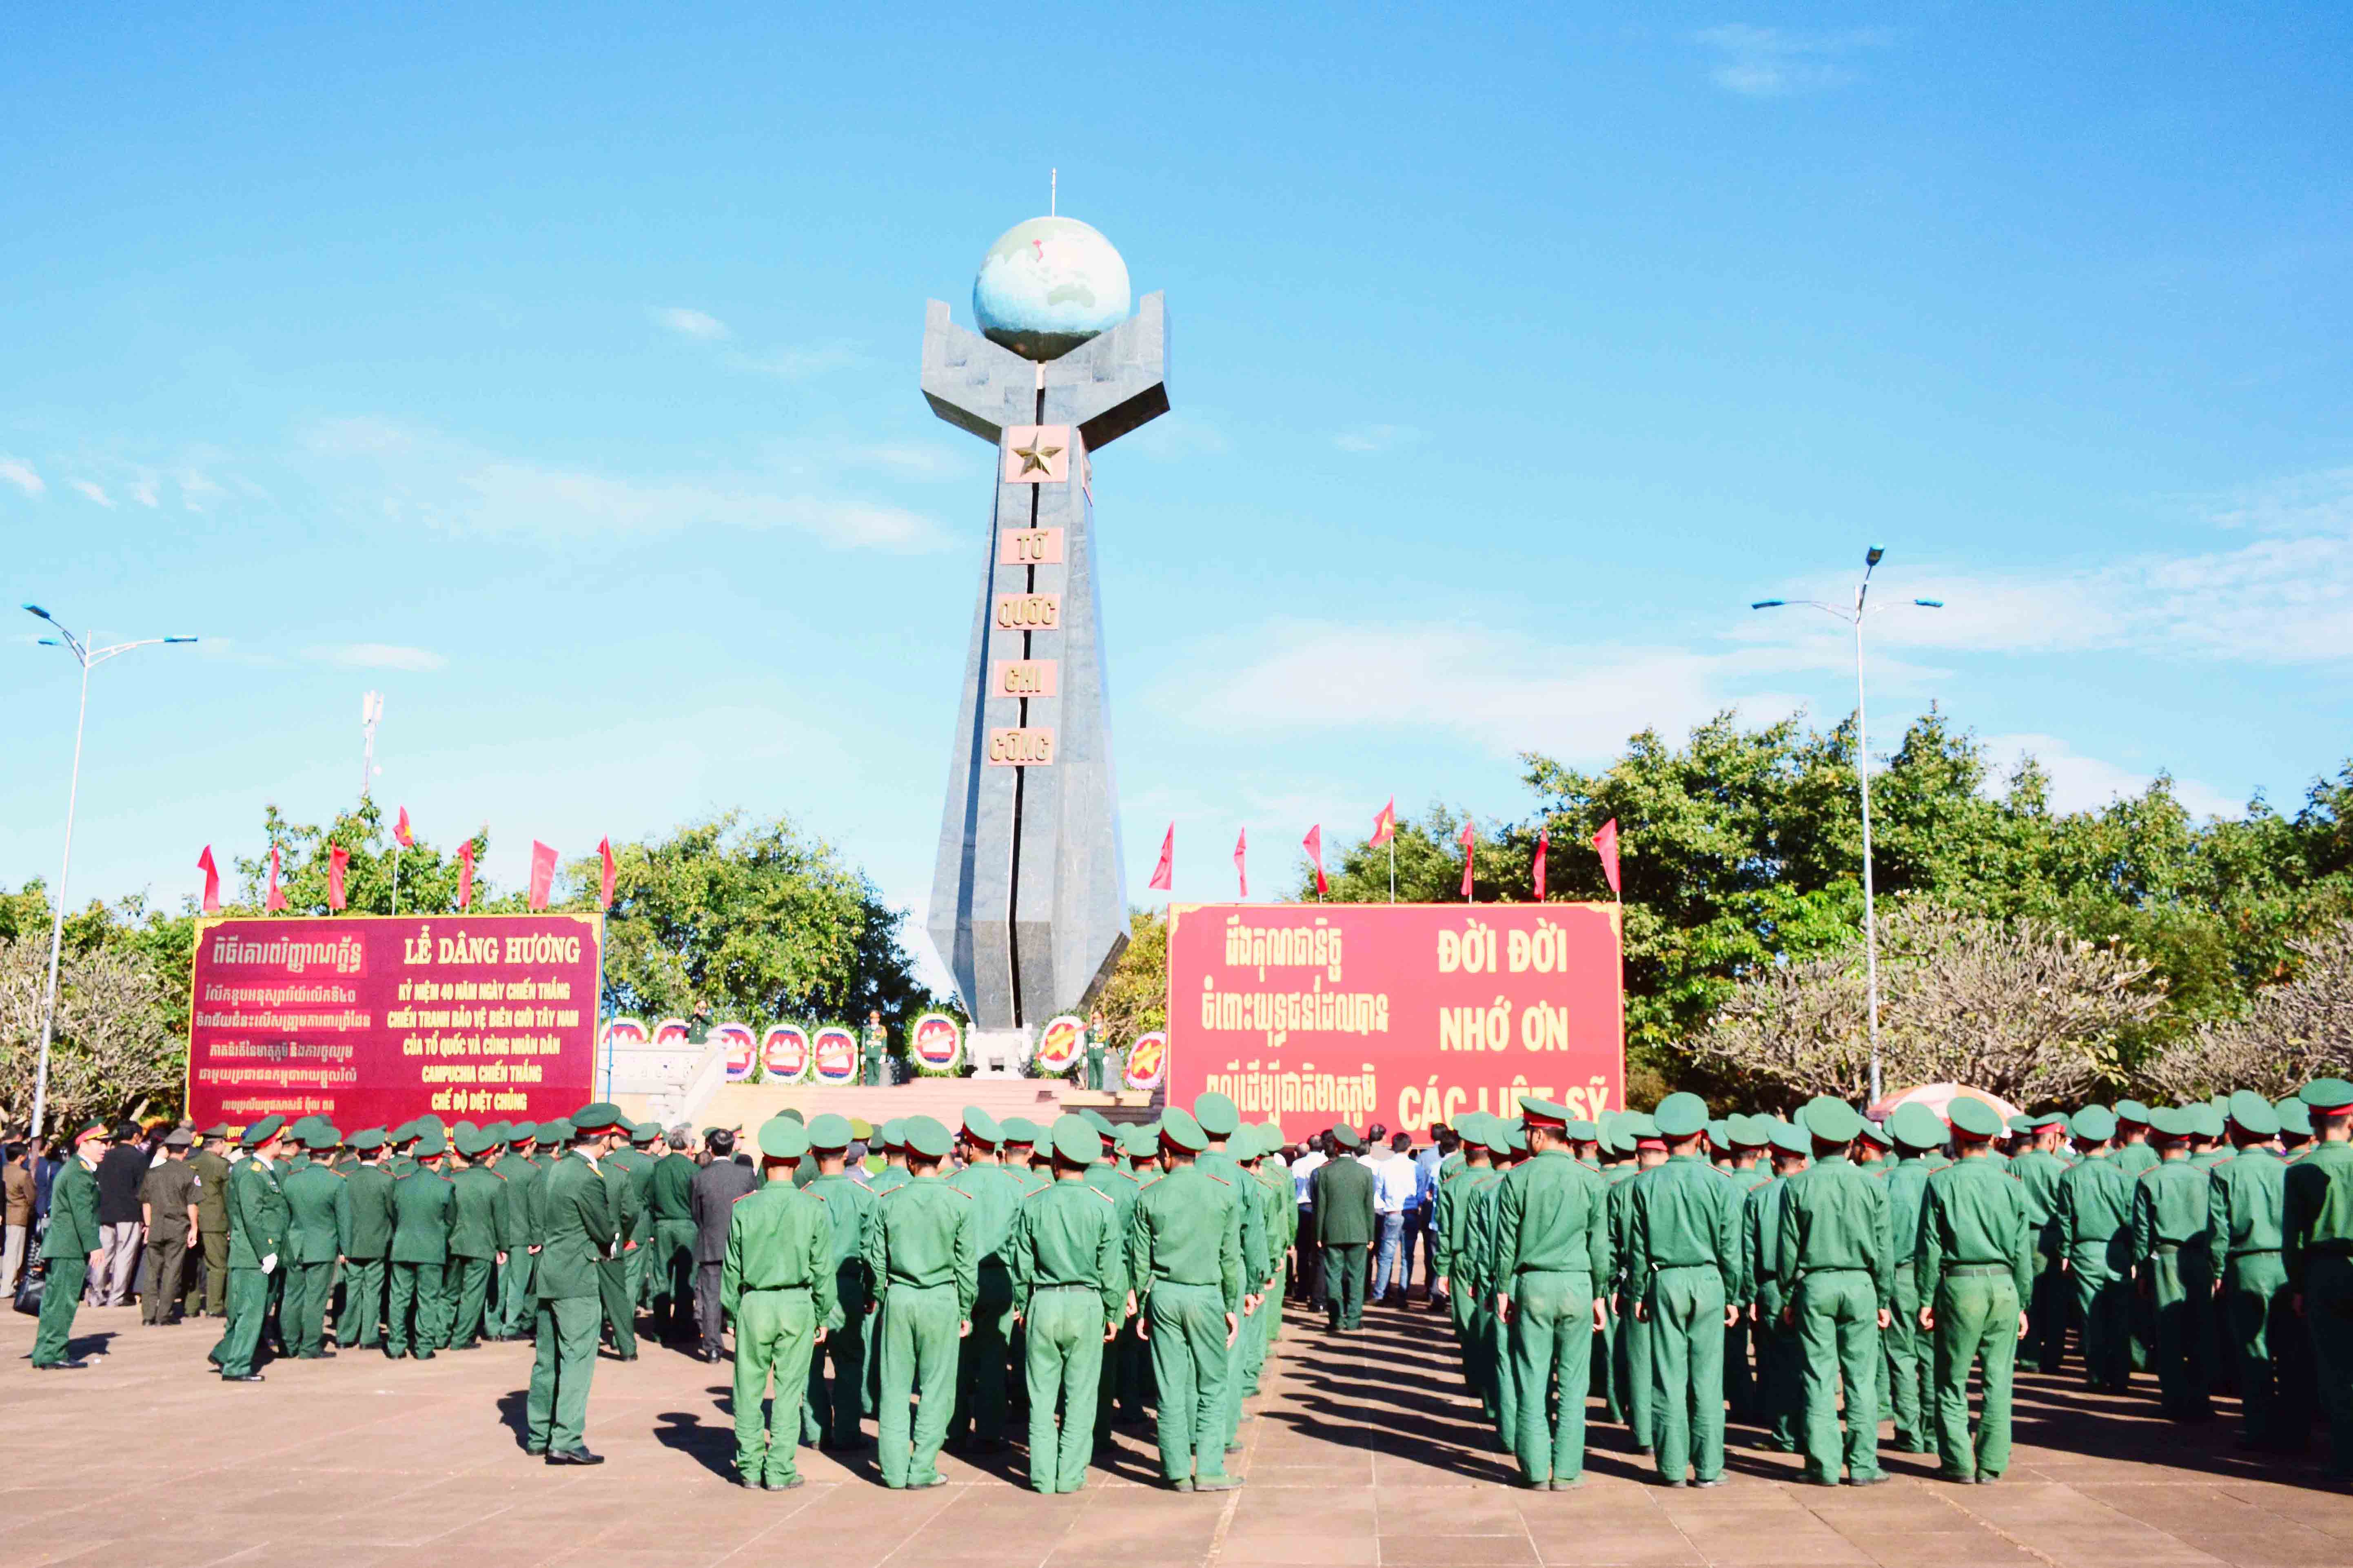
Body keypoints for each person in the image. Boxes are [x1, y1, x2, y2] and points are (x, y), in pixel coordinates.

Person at [1489, 1097, 1610, 1490]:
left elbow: (1505, 1243)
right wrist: (1599, 1293)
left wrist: (1503, 1289)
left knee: (1532, 1378)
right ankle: (1568, 1472)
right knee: (1575, 1386)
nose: (1527, 1141)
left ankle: (1536, 1471)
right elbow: (1600, 1247)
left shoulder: (1517, 1178)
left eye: (1528, 1134)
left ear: (1539, 1135)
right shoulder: (1590, 1179)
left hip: (1533, 1285)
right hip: (1578, 1283)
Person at [1776, 1096, 1892, 1486]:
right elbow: (1883, 1248)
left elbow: (1788, 1250)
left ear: (1813, 1143)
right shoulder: (1871, 1185)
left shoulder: (1796, 1186)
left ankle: (1823, 1466)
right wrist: (1884, 1297)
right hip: (1861, 1285)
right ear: (1850, 1145)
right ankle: (1863, 1465)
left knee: (1818, 1377)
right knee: (1862, 1379)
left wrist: (1789, 1293)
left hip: (1815, 1285)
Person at [1625, 1092, 1740, 1488]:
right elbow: (1730, 1247)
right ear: (1701, 1136)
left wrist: (1638, 1292)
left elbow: (1638, 1248)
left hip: (1664, 1280)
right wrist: (1734, 1294)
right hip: (1709, 1281)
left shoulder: (1645, 1185)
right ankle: (1708, 1468)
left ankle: (1672, 1467)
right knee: (1708, 1379)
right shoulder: (1720, 1185)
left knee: (1668, 1377)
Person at [1008, 1114, 1127, 1493]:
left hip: (1043, 1302)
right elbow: (1112, 1269)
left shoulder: (1034, 1204)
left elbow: (1020, 1264)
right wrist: (1113, 1314)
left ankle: (1042, 1476)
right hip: (1086, 1303)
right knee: (1081, 1396)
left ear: (1055, 1160)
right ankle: (1070, 1475)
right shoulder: (1102, 1206)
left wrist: (1023, 1306)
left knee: (1041, 1397)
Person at [1916, 1095, 2031, 1484]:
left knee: (1951, 1380)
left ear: (1955, 1136)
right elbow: (2021, 1252)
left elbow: (1929, 1248)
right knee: (1998, 1381)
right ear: (1992, 1142)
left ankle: (1958, 1463)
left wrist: (1924, 1298)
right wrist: (2022, 1302)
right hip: (2003, 1286)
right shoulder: (2012, 1186)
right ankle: (1992, 1464)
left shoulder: (1941, 1182)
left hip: (1960, 1285)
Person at [1128, 1107, 1243, 1492]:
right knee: (1212, 1384)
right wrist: (1230, 1306)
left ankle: (1175, 1470)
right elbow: (1230, 1258)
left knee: (1170, 1387)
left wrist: (1144, 1305)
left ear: (1165, 1155)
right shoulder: (1222, 1194)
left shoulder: (1150, 1195)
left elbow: (1139, 1261)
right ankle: (1209, 1469)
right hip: (1206, 1296)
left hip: (1163, 1296)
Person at [864, 1114, 978, 1489]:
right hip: (942, 1298)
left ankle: (894, 1470)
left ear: (910, 1161)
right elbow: (966, 1265)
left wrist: (882, 1296)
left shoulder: (888, 1202)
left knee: (894, 1387)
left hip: (899, 1297)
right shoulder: (960, 1204)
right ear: (941, 1161)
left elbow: (875, 1260)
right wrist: (965, 1309)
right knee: (936, 1388)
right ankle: (923, 1466)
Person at [723, 1116, 836, 1490]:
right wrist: (823, 1312)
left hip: (754, 1303)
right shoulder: (813, 1207)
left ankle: (750, 1465)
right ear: (797, 1163)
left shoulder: (744, 1207)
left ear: (766, 1161)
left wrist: (731, 1311)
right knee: (789, 1391)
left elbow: (732, 1268)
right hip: (798, 1303)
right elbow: (823, 1268)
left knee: (748, 1388)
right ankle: (780, 1469)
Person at [528, 1107, 623, 1464]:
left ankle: (539, 1434)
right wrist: (614, 1242)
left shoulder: (557, 1169)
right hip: (576, 1276)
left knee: (547, 1359)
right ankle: (565, 1439)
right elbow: (602, 1228)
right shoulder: (587, 1177)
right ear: (603, 1139)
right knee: (578, 1359)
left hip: (550, 1271)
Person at [2208, 1091, 2293, 1451]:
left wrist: (2216, 1271)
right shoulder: (2288, 1169)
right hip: (2287, 1266)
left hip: (2246, 1265)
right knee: (2290, 1350)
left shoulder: (2224, 1172)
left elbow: (2219, 1231)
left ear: (2234, 1132)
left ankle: (2260, 1429)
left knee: (2253, 1349)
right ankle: (2295, 1430)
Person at [2284, 1077, 2353, 1484]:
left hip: (2321, 1272)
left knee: (2334, 1369)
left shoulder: (2301, 1170)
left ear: (2312, 1123)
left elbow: (2292, 1237)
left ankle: (2344, 1457)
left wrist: (2296, 1285)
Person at [945, 1107, 1025, 1454]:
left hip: (959, 1280)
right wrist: (1020, 1294)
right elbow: (1021, 1247)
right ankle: (990, 1432)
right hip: (999, 1280)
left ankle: (956, 1429)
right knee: (994, 1359)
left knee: (957, 1360)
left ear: (972, 1147)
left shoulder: (953, 1185)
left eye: (963, 1143)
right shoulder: (1014, 1187)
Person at [802, 1113, 879, 1450]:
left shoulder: (803, 1195)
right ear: (846, 1154)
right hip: (848, 1288)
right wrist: (871, 1290)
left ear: (815, 1154)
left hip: (810, 1290)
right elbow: (871, 1251)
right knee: (849, 1363)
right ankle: (847, 1432)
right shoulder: (863, 1195)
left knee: (810, 1365)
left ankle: (817, 1431)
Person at [2133, 1107, 2213, 1422]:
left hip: (2164, 1259)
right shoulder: (2205, 1178)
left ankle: (2174, 1400)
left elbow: (2143, 1232)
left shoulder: (2149, 1180)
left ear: (2157, 1142)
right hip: (2198, 1258)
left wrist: (2142, 1270)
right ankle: (2201, 1399)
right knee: (2199, 1328)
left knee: (2168, 1332)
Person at [1876, 1104, 1943, 1453]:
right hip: (1936, 1277)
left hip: (1898, 1277)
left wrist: (1880, 1291)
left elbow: (1878, 1240)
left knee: (1901, 1356)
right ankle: (1933, 1434)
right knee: (1933, 1357)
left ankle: (1909, 1433)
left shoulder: (1883, 1183)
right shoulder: (1941, 1179)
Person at [2057, 1105, 2135, 1394]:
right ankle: (2121, 1376)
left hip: (2084, 1251)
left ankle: (2097, 1375)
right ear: (2107, 1140)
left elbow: (2066, 1220)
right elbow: (2131, 1221)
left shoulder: (2069, 1177)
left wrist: (2065, 1253)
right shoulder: (2125, 1177)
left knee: (2092, 1317)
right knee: (2119, 1316)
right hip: (2117, 1252)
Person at [211, 1115, 291, 1383]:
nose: (283, 1144)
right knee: (251, 1313)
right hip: (254, 1254)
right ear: (271, 1143)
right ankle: (237, 1366)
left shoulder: (262, 1170)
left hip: (259, 1252)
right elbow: (252, 1216)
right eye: (280, 1140)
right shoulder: (252, 1174)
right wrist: (265, 1251)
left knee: (252, 1310)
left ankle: (225, 1353)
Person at [30, 1121, 108, 1370]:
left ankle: (46, 1352)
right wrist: (94, 1245)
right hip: (69, 1248)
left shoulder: (77, 1169)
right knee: (63, 1302)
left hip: (64, 1246)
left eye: (106, 1143)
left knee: (55, 1302)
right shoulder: (78, 1173)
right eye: (99, 1143)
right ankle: (53, 1353)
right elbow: (82, 1214)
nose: (105, 1148)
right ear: (83, 1144)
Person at [280, 1123, 351, 1357]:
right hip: (322, 1246)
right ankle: (310, 1346)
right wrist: (346, 1249)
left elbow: (284, 1216)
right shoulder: (337, 1182)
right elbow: (344, 1221)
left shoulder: (292, 1180)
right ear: (330, 1157)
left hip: (294, 1243)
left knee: (292, 1296)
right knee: (316, 1298)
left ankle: (289, 1345)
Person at [2009, 1113, 2072, 1375]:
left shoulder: (2016, 1166)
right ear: (2053, 1140)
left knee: (2028, 1296)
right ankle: (2053, 1356)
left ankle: (2029, 1355)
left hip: (2025, 1236)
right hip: (2054, 1237)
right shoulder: (2062, 1168)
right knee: (2056, 1300)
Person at [691, 1127, 758, 1362]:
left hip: (711, 1244)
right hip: (742, 1245)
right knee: (744, 1295)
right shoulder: (746, 1175)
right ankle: (746, 1345)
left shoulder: (700, 1177)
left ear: (710, 1147)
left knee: (710, 1298)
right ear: (732, 1148)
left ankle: (712, 1348)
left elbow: (696, 1214)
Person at [388, 1129, 455, 1359]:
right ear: (437, 1161)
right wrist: (437, 1236)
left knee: (399, 1299)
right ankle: (424, 1348)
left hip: (403, 1246)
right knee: (428, 1301)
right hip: (431, 1250)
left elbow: (394, 1215)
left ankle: (397, 1346)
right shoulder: (445, 1187)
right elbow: (450, 1222)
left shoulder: (400, 1184)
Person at [448, 1127, 509, 1349]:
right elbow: (501, 1221)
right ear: (490, 1157)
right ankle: (461, 1339)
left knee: (449, 1293)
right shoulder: (497, 1183)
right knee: (472, 1295)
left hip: (454, 1244)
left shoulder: (453, 1179)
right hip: (482, 1246)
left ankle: (439, 1335)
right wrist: (503, 1247)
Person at [1312, 1126, 1376, 1332]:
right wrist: (1371, 1234)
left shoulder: (1325, 1172)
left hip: (1333, 1232)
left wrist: (1320, 1233)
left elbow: (1321, 1207)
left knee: (1333, 1276)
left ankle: (1336, 1320)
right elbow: (1369, 1207)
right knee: (1357, 1278)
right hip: (1359, 1232)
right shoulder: (1366, 1172)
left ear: (1337, 1147)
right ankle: (1354, 1320)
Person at [337, 1129, 396, 1349]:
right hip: (378, 1244)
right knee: (373, 1291)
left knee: (353, 1290)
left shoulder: (347, 1180)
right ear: (379, 1153)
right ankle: (368, 1337)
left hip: (352, 1244)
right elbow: (393, 1213)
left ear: (359, 1154)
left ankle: (345, 1336)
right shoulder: (386, 1180)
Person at [137, 1127, 201, 1326]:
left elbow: (146, 1202)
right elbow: (193, 1204)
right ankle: (164, 1315)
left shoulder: (152, 1173)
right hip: (177, 1227)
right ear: (186, 1151)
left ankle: (148, 1316)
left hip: (156, 1226)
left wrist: (148, 1225)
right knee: (172, 1271)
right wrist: (194, 1228)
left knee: (151, 1272)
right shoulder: (189, 1174)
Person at [647, 1125, 700, 1344]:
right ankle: (683, 1326)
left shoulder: (658, 1168)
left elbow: (649, 1200)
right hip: (688, 1225)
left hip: (662, 1225)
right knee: (686, 1278)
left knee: (661, 1277)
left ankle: (661, 1327)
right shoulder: (693, 1170)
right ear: (688, 1145)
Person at [91, 1121, 149, 1307]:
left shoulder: (106, 1157)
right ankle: (116, 1297)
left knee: (103, 1254)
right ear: (136, 1137)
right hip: (130, 1212)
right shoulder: (139, 1158)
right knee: (125, 1255)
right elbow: (143, 1190)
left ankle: (96, 1294)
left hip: (105, 1211)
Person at [183, 1124, 232, 1320]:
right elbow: (228, 1197)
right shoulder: (222, 1165)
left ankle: (190, 1307)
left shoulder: (190, 1163)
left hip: (191, 1220)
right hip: (215, 1222)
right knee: (217, 1266)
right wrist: (231, 1224)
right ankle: (214, 1306)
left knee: (192, 1265)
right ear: (219, 1143)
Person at [1371, 1131, 1418, 1306]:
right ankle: (1403, 1295)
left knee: (1386, 1256)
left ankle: (1380, 1294)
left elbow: (1380, 1191)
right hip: (1410, 1213)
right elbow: (1421, 1193)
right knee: (1407, 1256)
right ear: (1410, 1148)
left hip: (1392, 1213)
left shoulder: (1385, 1167)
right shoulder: (1416, 1167)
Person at [2, 1141, 32, 1300]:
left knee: (7, 1251)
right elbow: (32, 1196)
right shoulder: (23, 1175)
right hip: (19, 1216)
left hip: (5, 1214)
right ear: (21, 1158)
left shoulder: (3, 1172)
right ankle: (7, 1287)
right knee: (15, 1254)